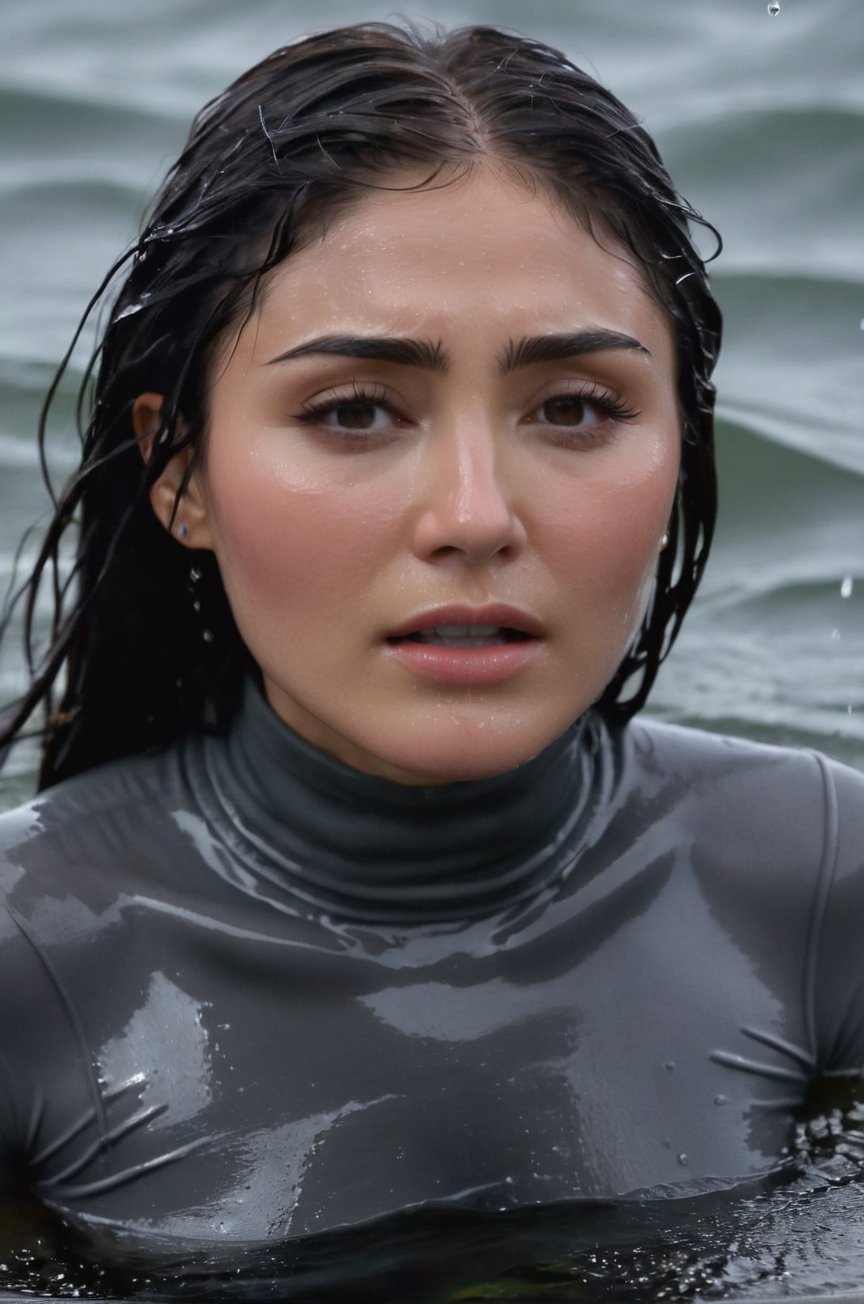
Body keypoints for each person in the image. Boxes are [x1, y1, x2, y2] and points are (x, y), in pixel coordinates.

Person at [0, 18, 862, 1267]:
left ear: (681, 447)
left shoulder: (818, 890)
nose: (474, 515)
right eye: (354, 410)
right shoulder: (30, 964)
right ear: (180, 469)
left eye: (575, 407)